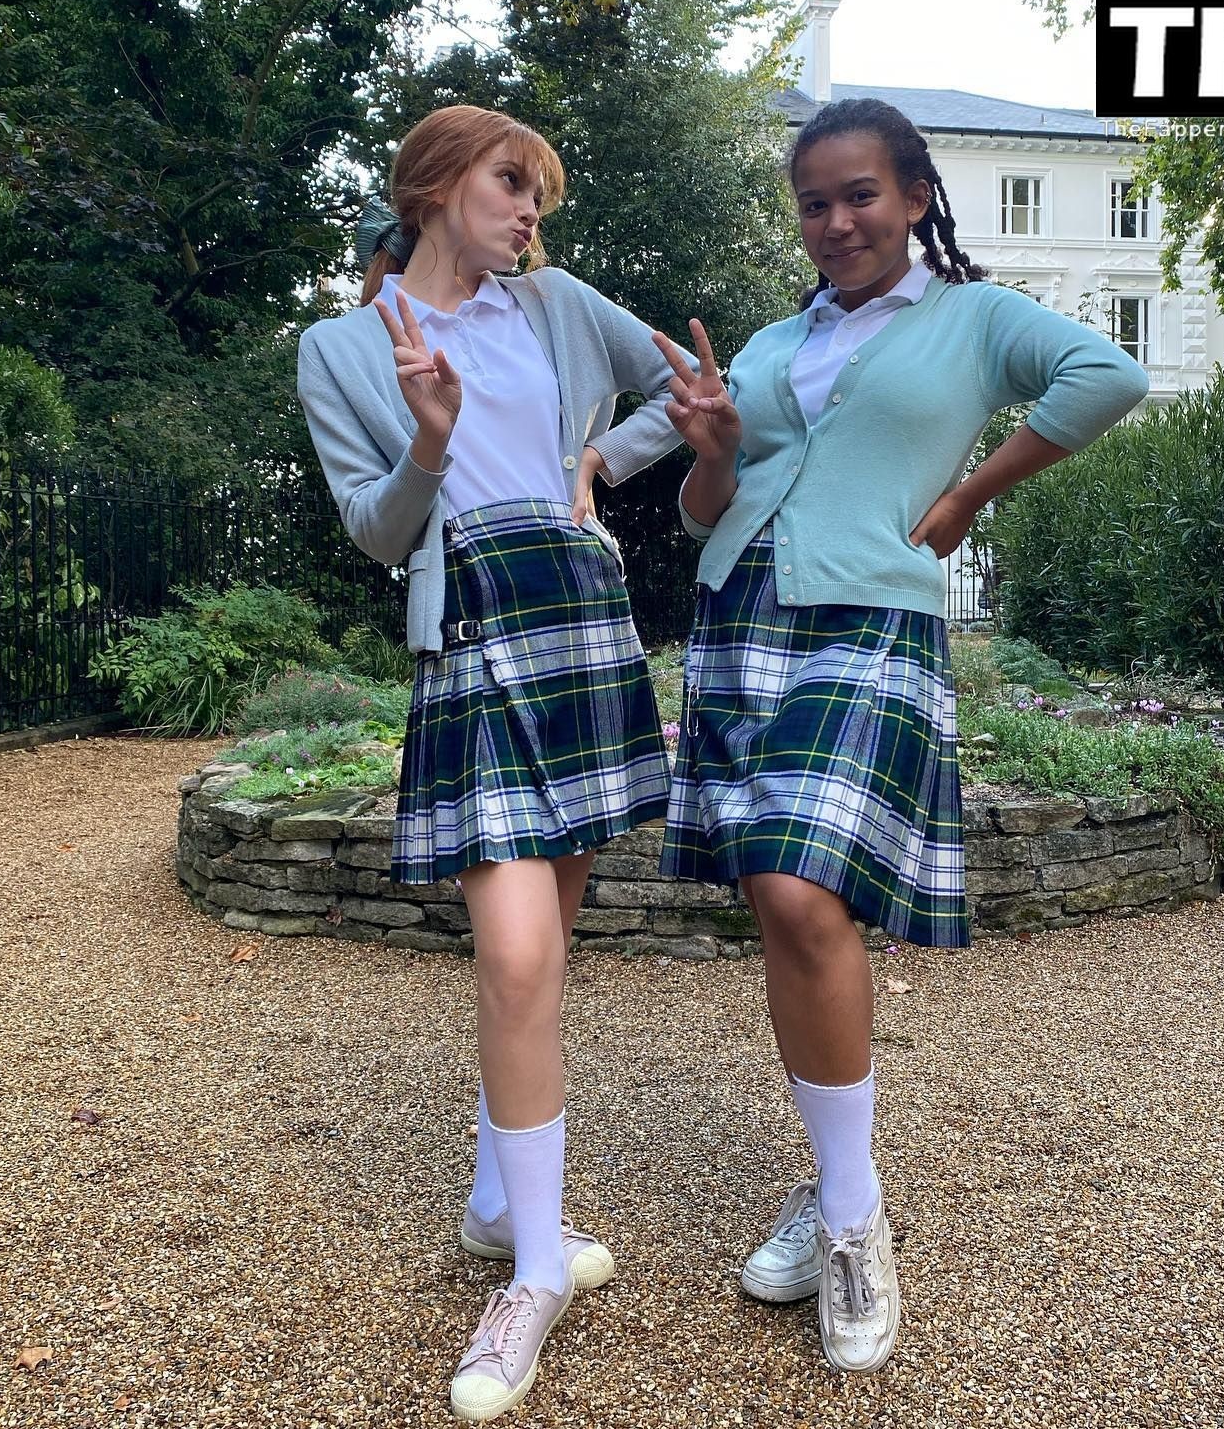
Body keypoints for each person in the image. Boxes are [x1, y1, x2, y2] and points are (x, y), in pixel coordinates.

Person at [654, 97, 1149, 1373]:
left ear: (916, 196)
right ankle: (837, 1188)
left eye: (860, 195)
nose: (836, 223)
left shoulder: (973, 319)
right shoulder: (772, 342)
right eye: (814, 204)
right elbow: (707, 507)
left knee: (796, 887)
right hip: (741, 612)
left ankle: (853, 1221)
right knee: (781, 907)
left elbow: (1112, 377)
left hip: (870, 613)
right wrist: (711, 450)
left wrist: (971, 491)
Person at [296, 105, 687, 1422]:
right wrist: (428, 438)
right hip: (472, 637)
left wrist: (603, 458)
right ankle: (534, 1268)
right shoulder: (343, 347)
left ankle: (495, 1199)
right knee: (517, 959)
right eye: (512, 184)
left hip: (580, 619)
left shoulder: (556, 305)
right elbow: (375, 530)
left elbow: (685, 393)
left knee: (546, 951)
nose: (530, 213)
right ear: (434, 185)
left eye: (538, 195)